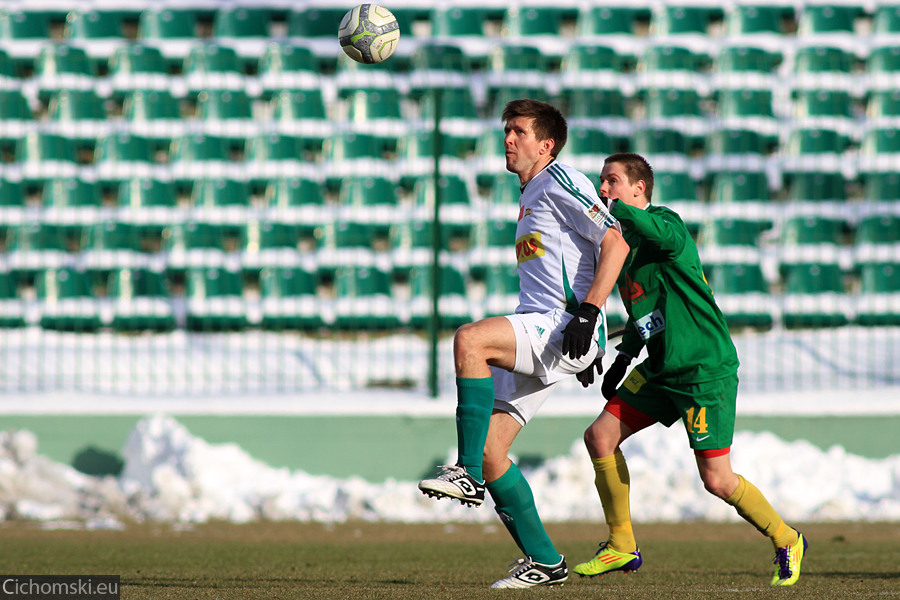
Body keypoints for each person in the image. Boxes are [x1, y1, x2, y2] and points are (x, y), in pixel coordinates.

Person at [418, 99, 630, 589]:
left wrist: (591, 315)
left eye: (518, 131)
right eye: (506, 130)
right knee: (495, 455)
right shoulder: (533, 193)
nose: (508, 139)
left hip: (559, 324)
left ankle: (464, 473)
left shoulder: (559, 180)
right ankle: (546, 562)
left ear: (547, 144)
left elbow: (614, 241)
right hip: (548, 328)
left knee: (470, 340)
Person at [572, 153, 807, 586]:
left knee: (716, 480)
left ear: (639, 188)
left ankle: (786, 538)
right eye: (601, 182)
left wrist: (607, 209)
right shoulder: (625, 250)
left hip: (703, 369)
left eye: (613, 181)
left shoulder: (666, 225)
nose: (604, 189)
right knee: (600, 437)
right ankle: (621, 546)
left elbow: (651, 229)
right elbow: (649, 312)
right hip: (661, 368)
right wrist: (625, 356)